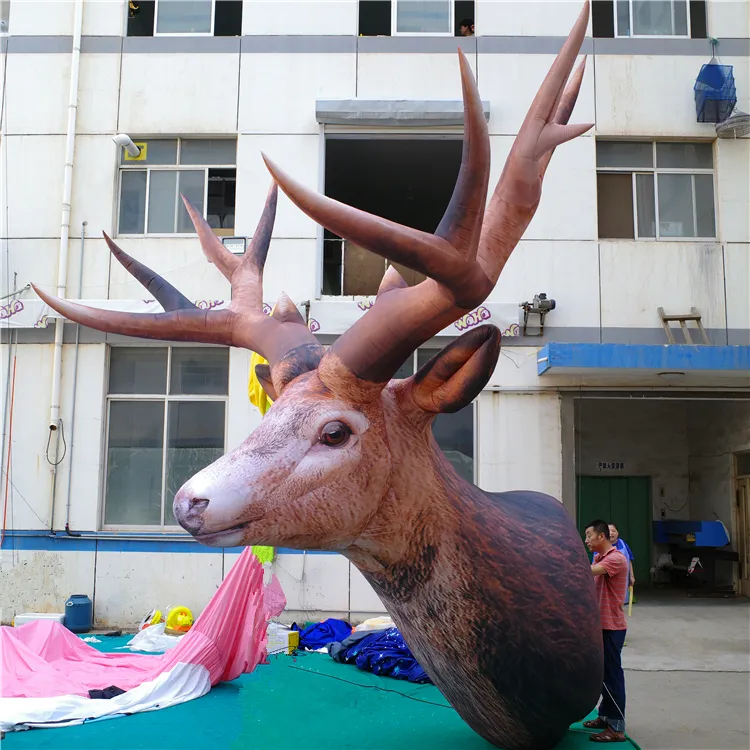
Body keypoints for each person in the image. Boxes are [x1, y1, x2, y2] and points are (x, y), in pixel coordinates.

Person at [583, 519, 629, 744]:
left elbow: (587, 572)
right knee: (602, 675)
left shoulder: (616, 559)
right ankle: (604, 716)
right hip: (600, 626)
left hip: (612, 627)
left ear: (601, 536)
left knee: (612, 676)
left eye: (589, 535)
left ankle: (617, 727)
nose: (586, 540)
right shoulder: (600, 557)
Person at [609, 523, 635, 604]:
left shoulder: (623, 544)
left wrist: (632, 576)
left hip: (622, 579)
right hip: (607, 578)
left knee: (620, 602)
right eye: (608, 531)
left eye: (613, 531)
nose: (611, 533)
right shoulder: (600, 545)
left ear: (617, 533)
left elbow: (629, 560)